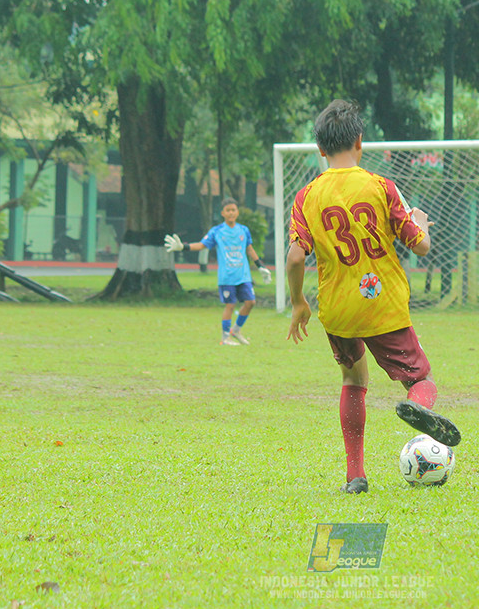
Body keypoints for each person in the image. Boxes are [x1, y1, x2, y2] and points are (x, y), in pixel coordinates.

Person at [286, 99, 461, 494]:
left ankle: (355, 477)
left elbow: (296, 255)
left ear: (320, 149)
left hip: (338, 310)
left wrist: (299, 302)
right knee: (422, 379)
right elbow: (420, 247)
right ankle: (419, 405)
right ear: (360, 142)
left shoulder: (307, 196)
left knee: (353, 377)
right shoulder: (382, 187)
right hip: (384, 305)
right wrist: (418, 222)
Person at [165, 198, 272, 345]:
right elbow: (202, 245)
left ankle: (236, 330)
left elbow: (249, 248)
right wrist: (183, 247)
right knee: (230, 305)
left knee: (250, 302)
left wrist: (260, 266)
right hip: (227, 277)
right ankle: (225, 337)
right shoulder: (217, 231)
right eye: (227, 210)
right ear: (222, 213)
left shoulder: (243, 230)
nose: (231, 213)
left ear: (237, 212)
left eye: (233, 210)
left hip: (243, 275)